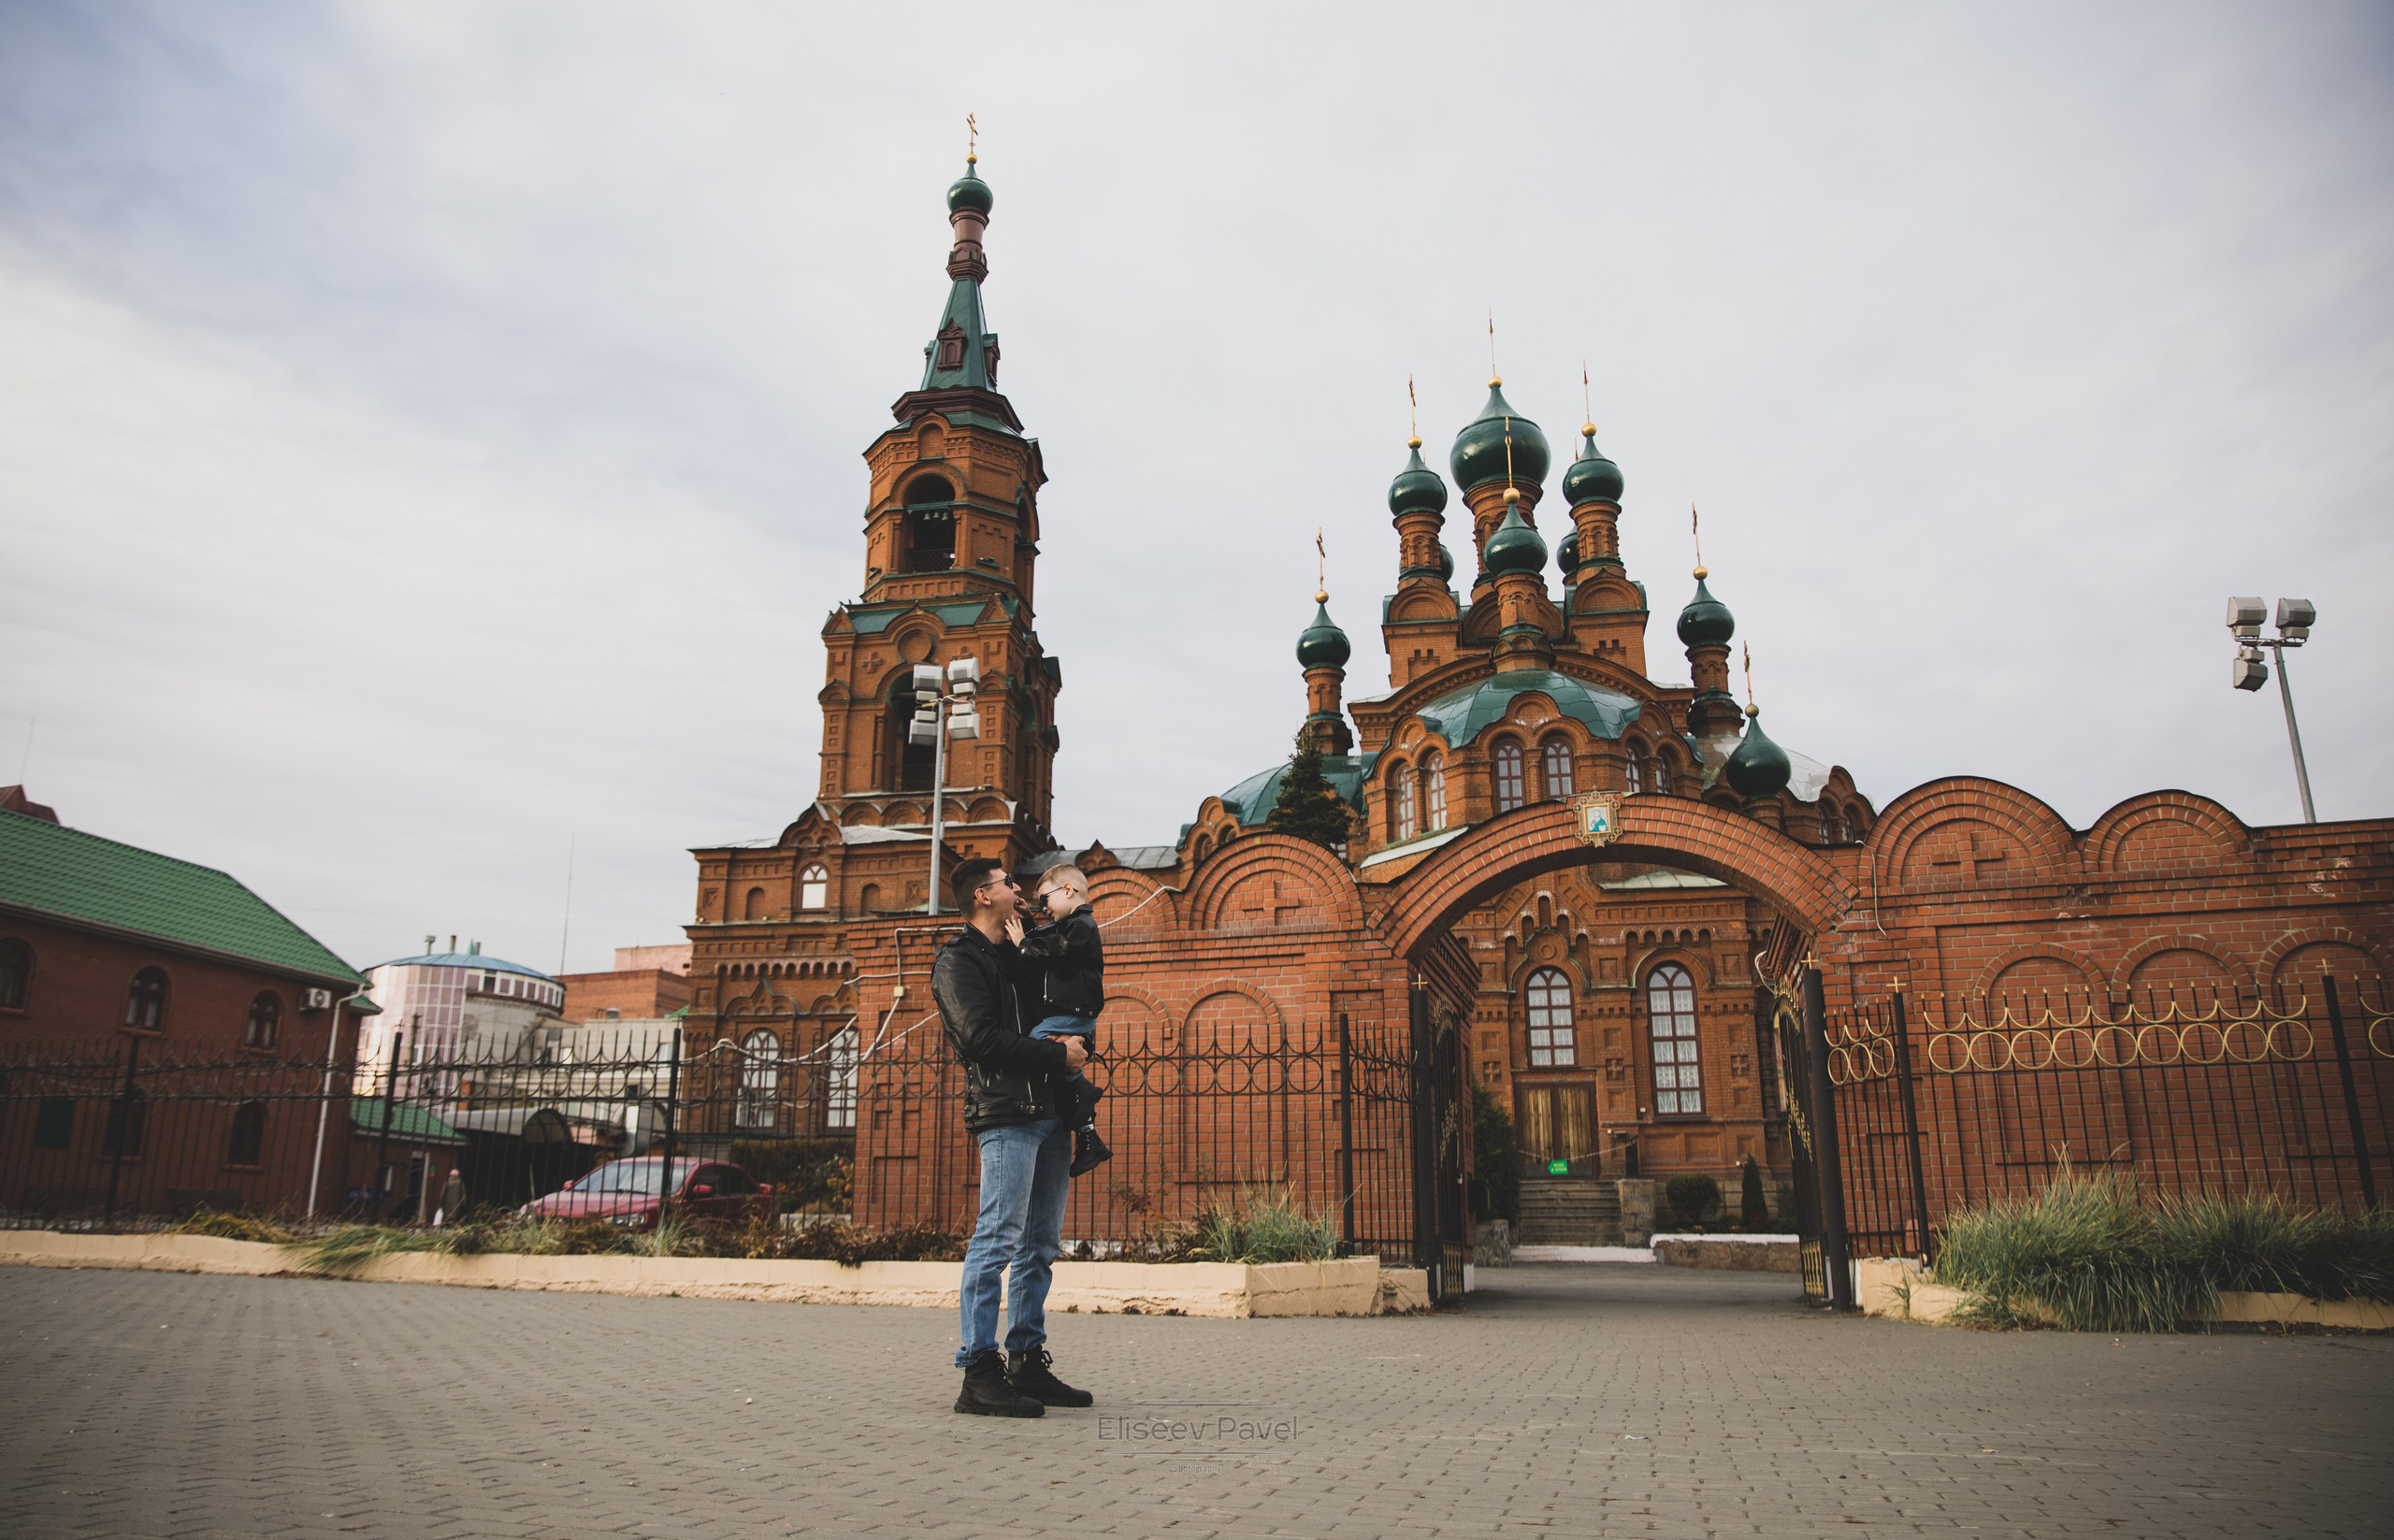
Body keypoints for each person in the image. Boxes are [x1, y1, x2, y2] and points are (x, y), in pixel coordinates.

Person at [931, 855, 1095, 1418]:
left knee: (1040, 1246)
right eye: (1007, 882)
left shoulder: (1015, 953)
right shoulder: (958, 962)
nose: (1019, 888)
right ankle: (978, 1370)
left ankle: (1026, 1359)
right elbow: (979, 1037)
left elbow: (1059, 1006)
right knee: (997, 1238)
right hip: (1006, 1113)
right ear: (983, 895)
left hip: (1049, 1112)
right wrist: (1055, 1053)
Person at [1008, 864, 1110, 1177]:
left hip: (1075, 1014)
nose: (1044, 909)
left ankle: (1080, 1092)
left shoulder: (1082, 925)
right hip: (1070, 1014)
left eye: (1044, 901)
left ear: (1067, 890)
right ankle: (1087, 1131)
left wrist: (1022, 944)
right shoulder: (1068, 924)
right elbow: (1045, 935)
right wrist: (1027, 919)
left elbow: (1056, 948)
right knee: (1054, 1057)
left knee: (1037, 1044)